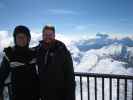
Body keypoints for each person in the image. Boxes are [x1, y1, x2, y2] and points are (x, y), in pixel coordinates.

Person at [35, 25, 75, 100]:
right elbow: (26, 53)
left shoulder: (62, 50)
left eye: (50, 34)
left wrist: (70, 96)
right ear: (42, 35)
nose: (48, 37)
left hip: (60, 93)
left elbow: (70, 75)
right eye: (45, 35)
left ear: (54, 35)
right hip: (44, 93)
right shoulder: (38, 49)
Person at [0, 25, 39, 100]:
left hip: (35, 94)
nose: (21, 39)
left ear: (28, 39)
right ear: (15, 39)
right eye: (19, 37)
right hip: (18, 96)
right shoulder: (9, 55)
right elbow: (1, 77)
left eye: (24, 36)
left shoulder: (33, 53)